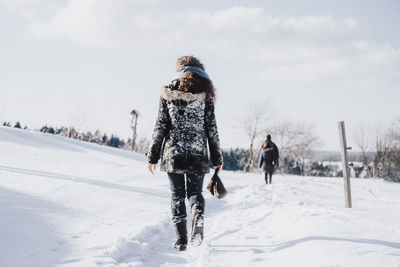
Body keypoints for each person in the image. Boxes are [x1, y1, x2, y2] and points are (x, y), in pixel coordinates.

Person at [147, 56, 223, 251]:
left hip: (174, 152)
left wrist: (152, 156)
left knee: (177, 195)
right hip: (197, 152)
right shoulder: (206, 96)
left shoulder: (168, 93)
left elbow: (160, 126)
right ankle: (198, 215)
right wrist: (217, 159)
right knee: (195, 194)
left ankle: (181, 239)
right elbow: (211, 129)